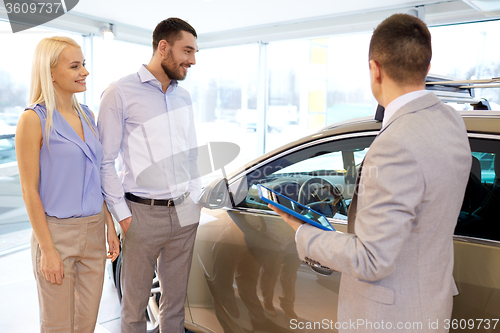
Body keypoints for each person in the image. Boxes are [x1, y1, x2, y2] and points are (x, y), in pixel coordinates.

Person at [270, 14, 471, 332]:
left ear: (375, 69)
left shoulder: (396, 143)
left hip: (390, 319)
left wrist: (303, 231)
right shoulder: (451, 120)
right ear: (426, 67)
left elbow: (370, 259)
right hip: (430, 304)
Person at [98, 18, 201, 332]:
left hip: (184, 212)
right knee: (134, 308)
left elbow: (191, 154)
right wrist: (124, 216)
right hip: (142, 213)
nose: (192, 60)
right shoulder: (120, 92)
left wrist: (194, 200)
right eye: (187, 50)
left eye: (195, 52)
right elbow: (105, 162)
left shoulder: (183, 96)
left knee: (175, 308)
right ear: (163, 47)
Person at [15, 36, 120, 332]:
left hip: (94, 231)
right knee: (59, 326)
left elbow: (95, 176)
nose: (84, 71)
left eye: (83, 64)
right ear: (50, 73)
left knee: (86, 324)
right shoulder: (33, 120)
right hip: (56, 236)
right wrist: (47, 250)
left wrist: (109, 226)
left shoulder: (87, 115)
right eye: (74, 66)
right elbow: (29, 191)